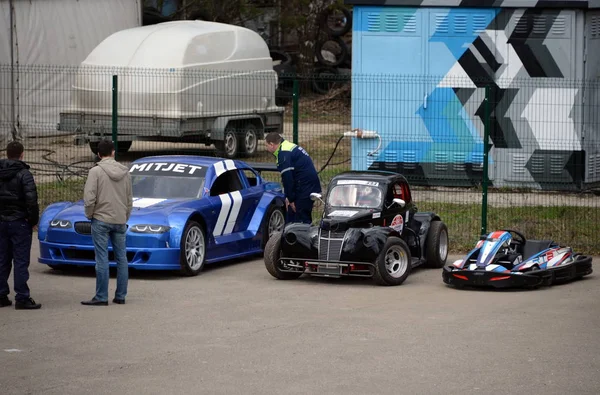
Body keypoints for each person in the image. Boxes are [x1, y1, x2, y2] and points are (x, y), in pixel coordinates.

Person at [82, 140, 133, 306]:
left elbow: (90, 198)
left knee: (102, 258)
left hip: (101, 219)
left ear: (98, 154)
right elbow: (129, 200)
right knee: (121, 258)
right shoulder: (125, 173)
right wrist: (124, 217)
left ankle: (101, 296)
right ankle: (120, 296)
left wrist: (90, 215)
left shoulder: (95, 172)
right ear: (113, 152)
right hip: (119, 220)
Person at [0, 141, 41, 310]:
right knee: (21, 260)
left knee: (2, 259)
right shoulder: (24, 174)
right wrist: (32, 221)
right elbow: (31, 200)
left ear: (7, 153)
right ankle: (22, 296)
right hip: (19, 222)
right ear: (22, 154)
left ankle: (1, 294)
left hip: (1, 221)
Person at [265, 132, 321, 224]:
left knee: (299, 220)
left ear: (271, 144)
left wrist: (290, 199)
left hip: (303, 188)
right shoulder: (287, 146)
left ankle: (303, 236)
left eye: (266, 145)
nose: (266, 149)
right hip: (309, 185)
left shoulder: (283, 154)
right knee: (300, 216)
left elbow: (288, 179)